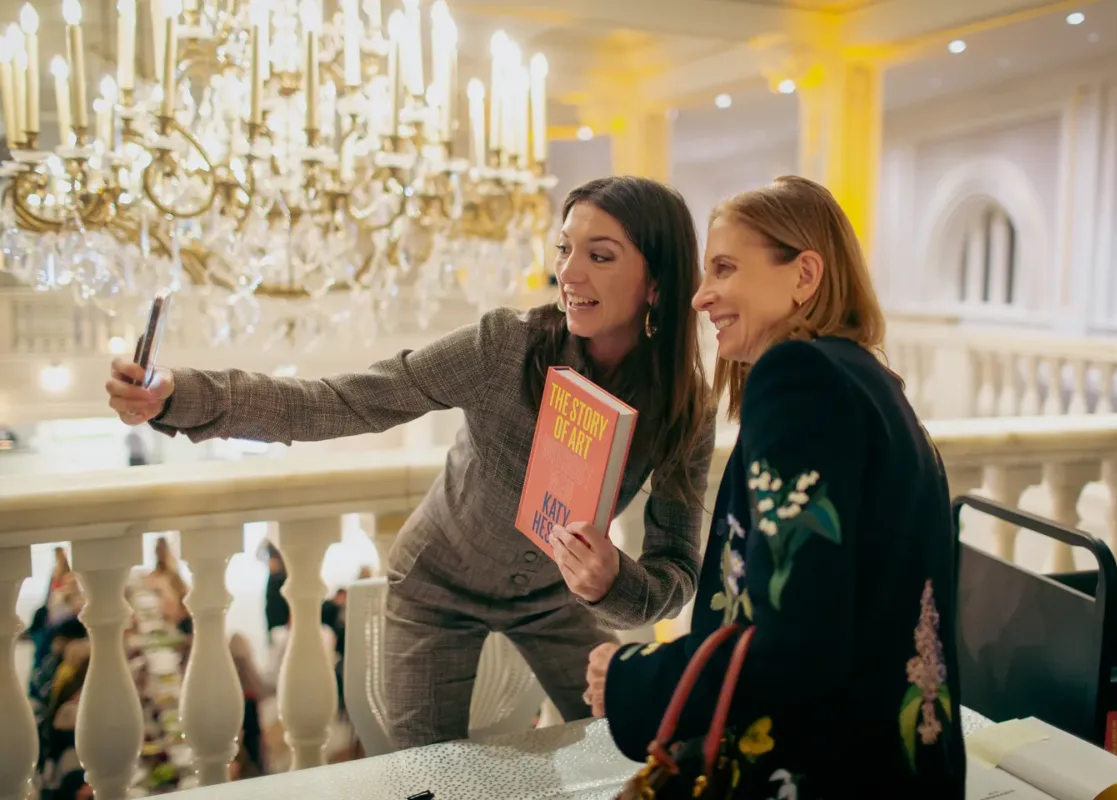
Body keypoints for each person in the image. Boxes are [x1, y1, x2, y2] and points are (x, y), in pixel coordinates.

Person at [103, 175, 716, 751]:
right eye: (564, 248)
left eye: (600, 256)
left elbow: (675, 575)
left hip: (558, 601)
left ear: (656, 282)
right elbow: (341, 401)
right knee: (427, 777)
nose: (568, 272)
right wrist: (180, 394)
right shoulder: (504, 346)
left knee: (638, 751)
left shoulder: (684, 406)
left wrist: (613, 582)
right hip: (435, 590)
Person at [589, 176, 966, 798]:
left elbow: (799, 642)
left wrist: (634, 682)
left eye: (726, 268)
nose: (700, 297)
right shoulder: (871, 381)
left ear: (804, 275)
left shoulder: (799, 378)